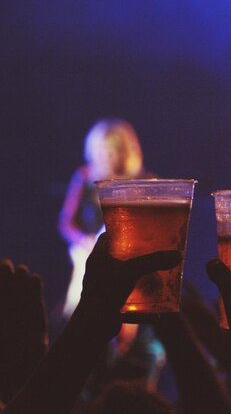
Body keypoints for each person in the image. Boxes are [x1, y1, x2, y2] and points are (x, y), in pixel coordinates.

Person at [58, 118, 152, 320]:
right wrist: (84, 240)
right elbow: (66, 222)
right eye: (100, 152)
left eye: (111, 152)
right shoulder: (84, 177)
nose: (105, 158)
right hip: (91, 252)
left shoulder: (143, 181)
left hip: (130, 256)